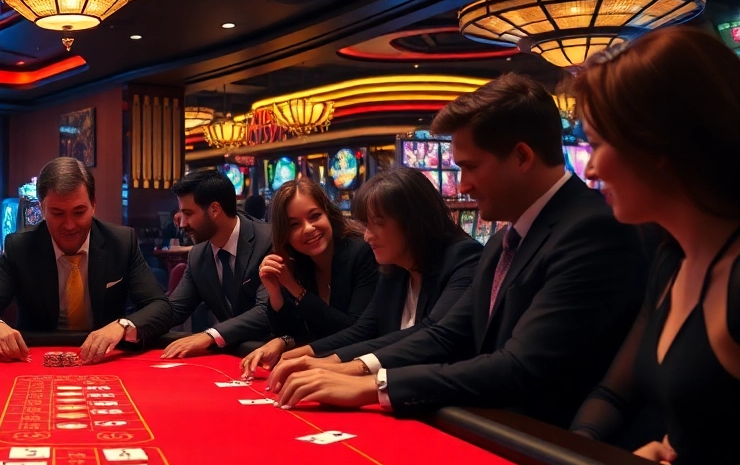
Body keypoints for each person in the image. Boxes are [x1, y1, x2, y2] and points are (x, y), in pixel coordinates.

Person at [270, 74, 647, 427]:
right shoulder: (502, 241)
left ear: (521, 157)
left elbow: (521, 365)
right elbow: (443, 333)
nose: (462, 185)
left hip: (553, 448)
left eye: (469, 167)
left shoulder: (590, 229)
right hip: (494, 429)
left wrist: (376, 385)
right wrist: (342, 365)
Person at [569, 28, 740, 465]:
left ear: (657, 147)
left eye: (598, 144)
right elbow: (616, 393)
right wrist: (578, 454)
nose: (588, 167)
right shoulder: (670, 260)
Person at [259, 167, 482, 377]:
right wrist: (295, 354)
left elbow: (432, 335)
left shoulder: (463, 257)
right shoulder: (394, 268)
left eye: (377, 223)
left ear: (413, 221)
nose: (367, 236)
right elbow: (364, 330)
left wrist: (342, 367)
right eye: (366, 225)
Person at [0, 157, 173, 364]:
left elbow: (160, 307)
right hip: (37, 358)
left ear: (94, 204)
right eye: (57, 213)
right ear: (42, 208)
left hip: (104, 358)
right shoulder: (20, 247)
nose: (70, 225)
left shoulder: (121, 242)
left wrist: (121, 326)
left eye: (79, 212)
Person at [239, 178, 378, 369]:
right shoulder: (297, 262)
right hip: (321, 368)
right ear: (284, 234)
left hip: (358, 368)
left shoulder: (360, 252)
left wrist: (294, 288)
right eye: (294, 225)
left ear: (328, 213)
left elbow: (352, 330)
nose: (308, 228)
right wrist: (275, 293)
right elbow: (296, 331)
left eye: (314, 216)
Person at [161, 168, 273, 358]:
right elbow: (174, 310)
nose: (182, 224)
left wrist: (209, 336)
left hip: (271, 354)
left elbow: (265, 311)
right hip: (229, 356)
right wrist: (127, 326)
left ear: (214, 209)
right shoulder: (198, 255)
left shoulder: (268, 240)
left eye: (188, 214)